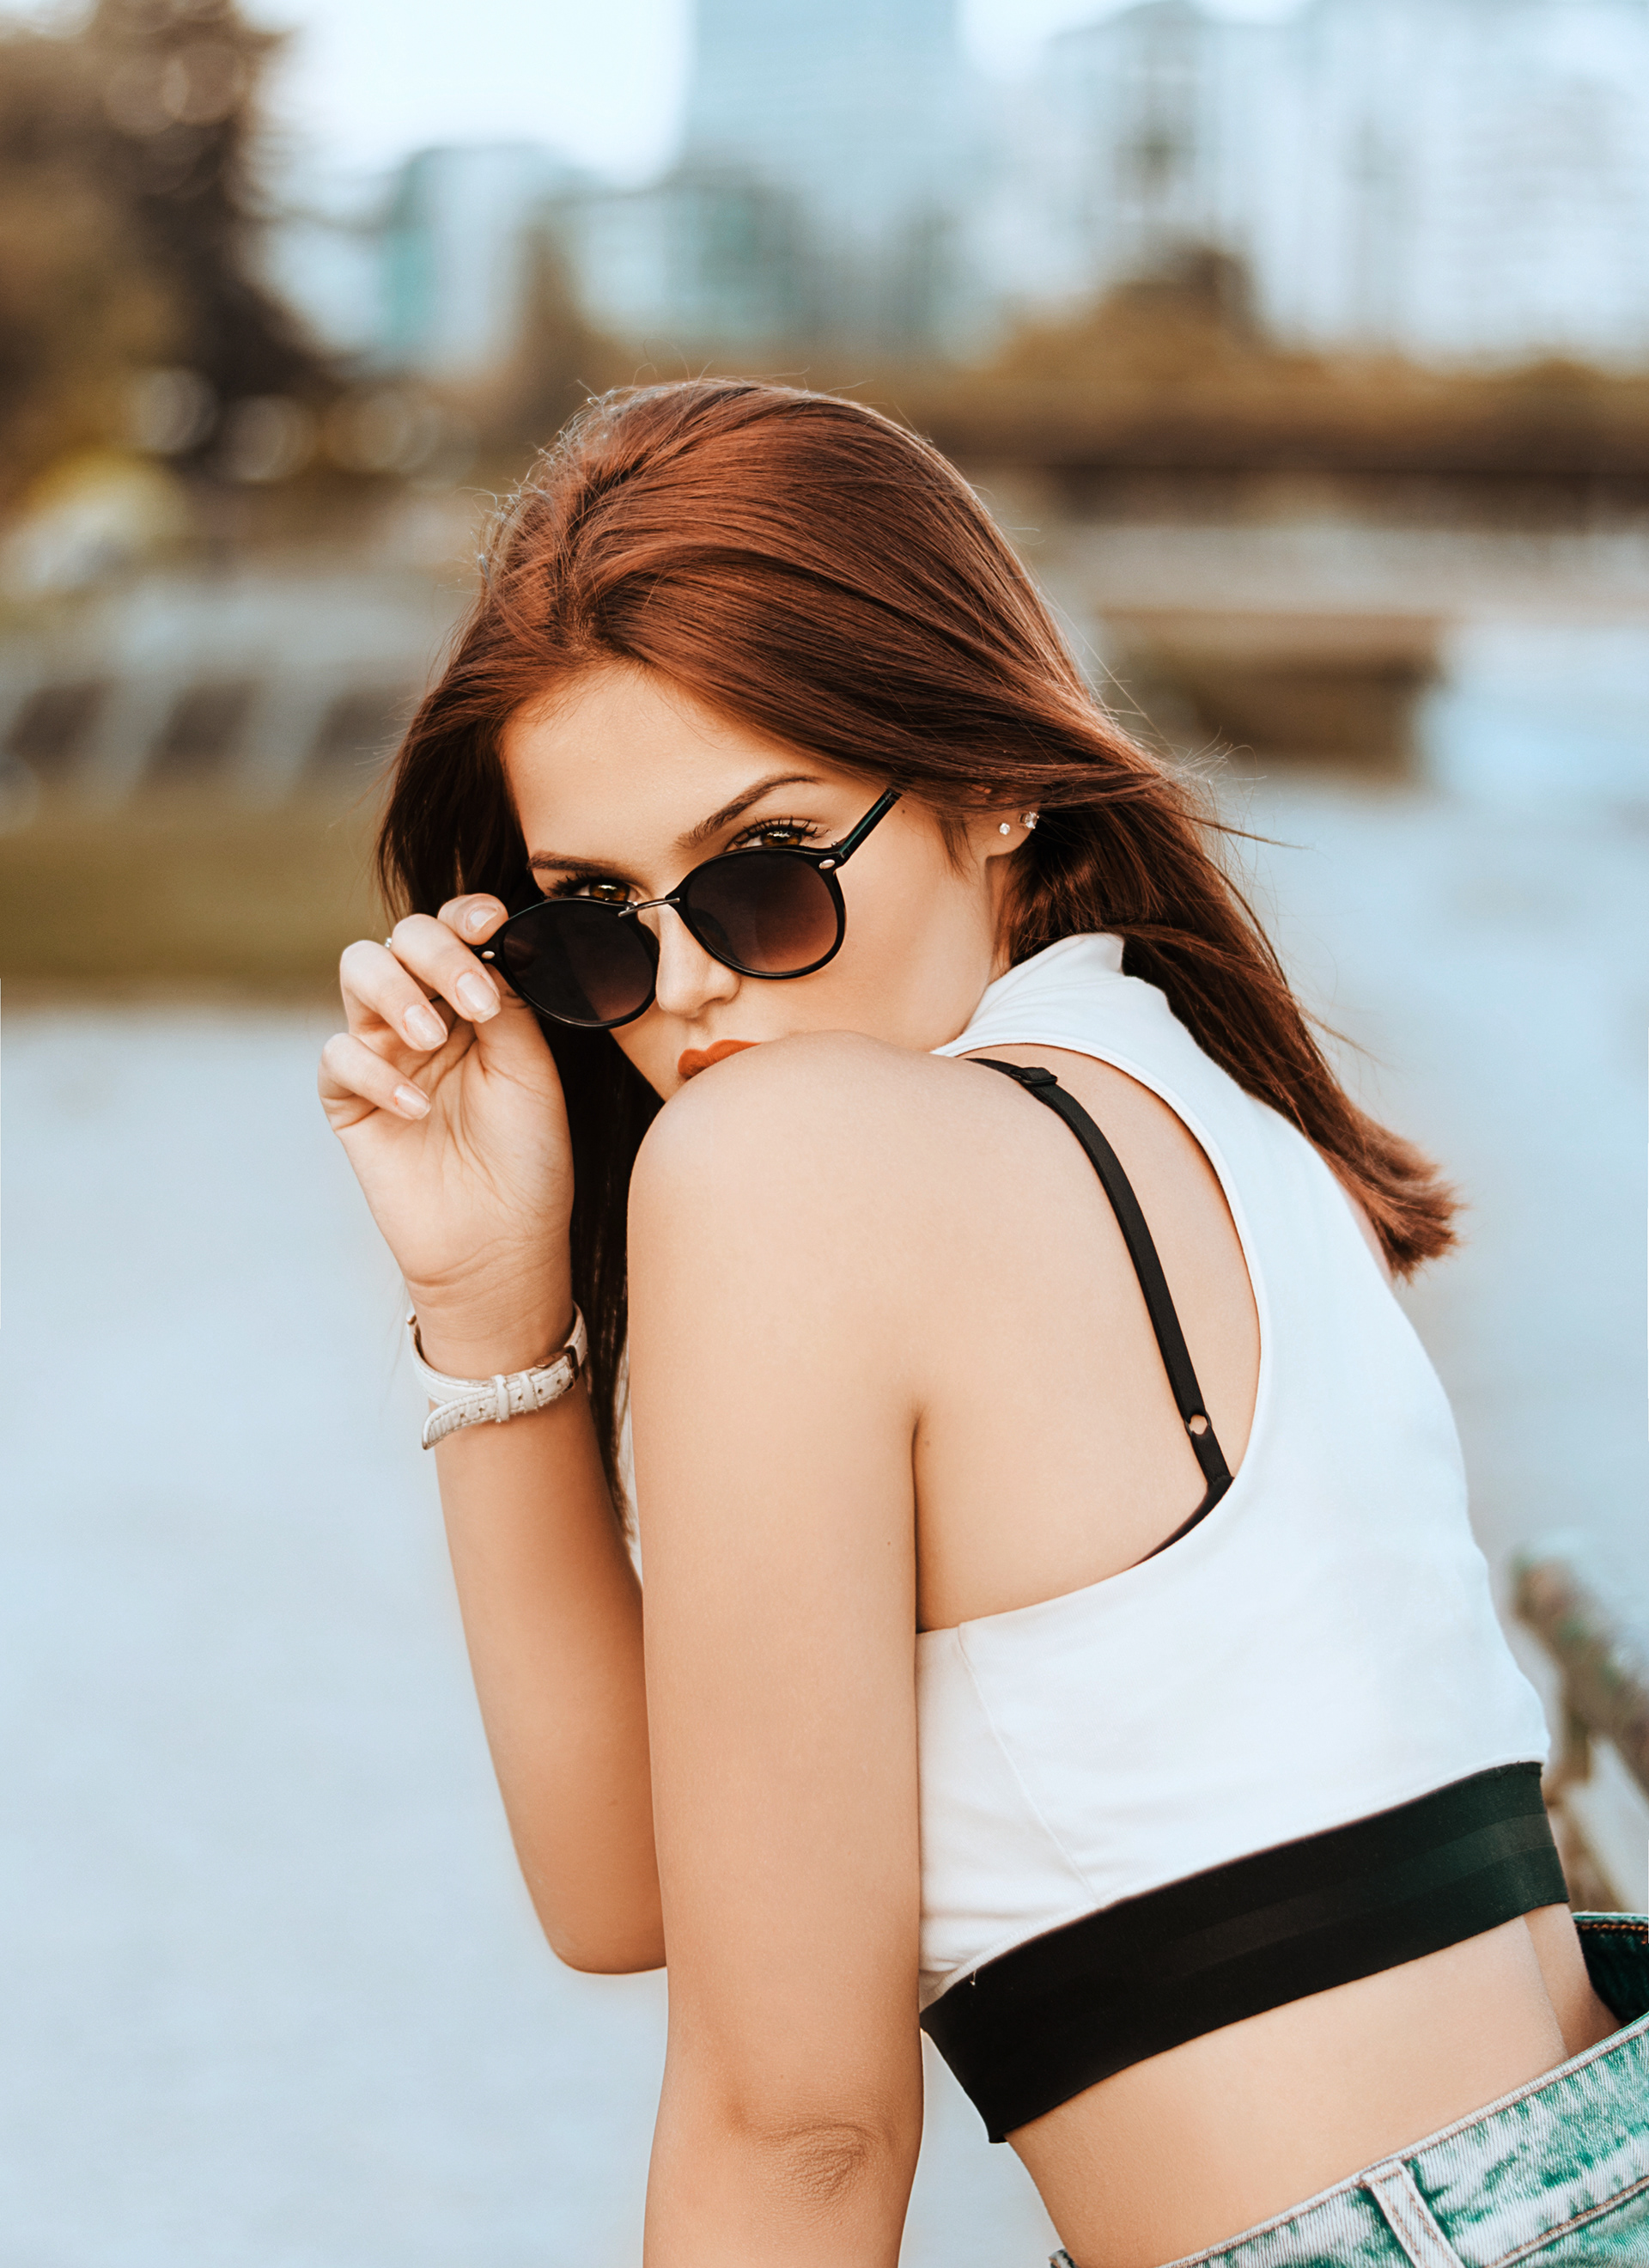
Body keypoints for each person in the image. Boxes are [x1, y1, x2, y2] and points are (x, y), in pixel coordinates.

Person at [319, 379, 1647, 2268]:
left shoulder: (801, 1159)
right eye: (593, 922)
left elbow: (796, 2134)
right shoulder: (1202, 1102)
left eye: (764, 871)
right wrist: (485, 1310)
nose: (686, 995)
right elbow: (633, 1888)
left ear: (991, 780)